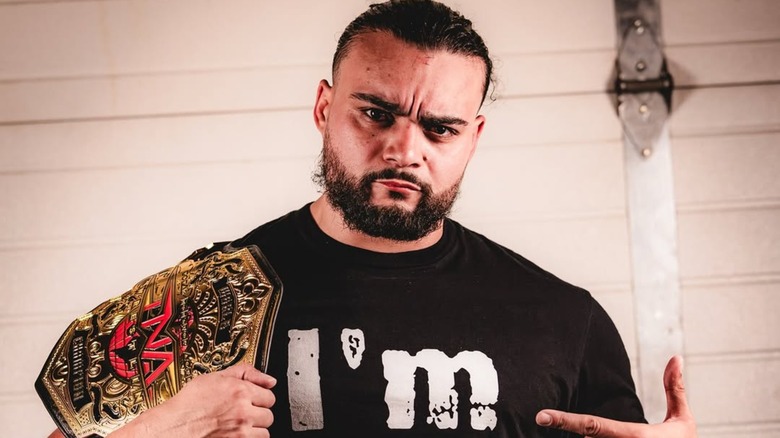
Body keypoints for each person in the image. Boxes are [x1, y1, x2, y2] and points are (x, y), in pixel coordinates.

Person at [48, 1, 697, 437]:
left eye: (439, 128)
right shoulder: (208, 298)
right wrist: (154, 432)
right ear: (324, 108)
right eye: (377, 113)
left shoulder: (564, 319)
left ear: (473, 137)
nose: (404, 149)